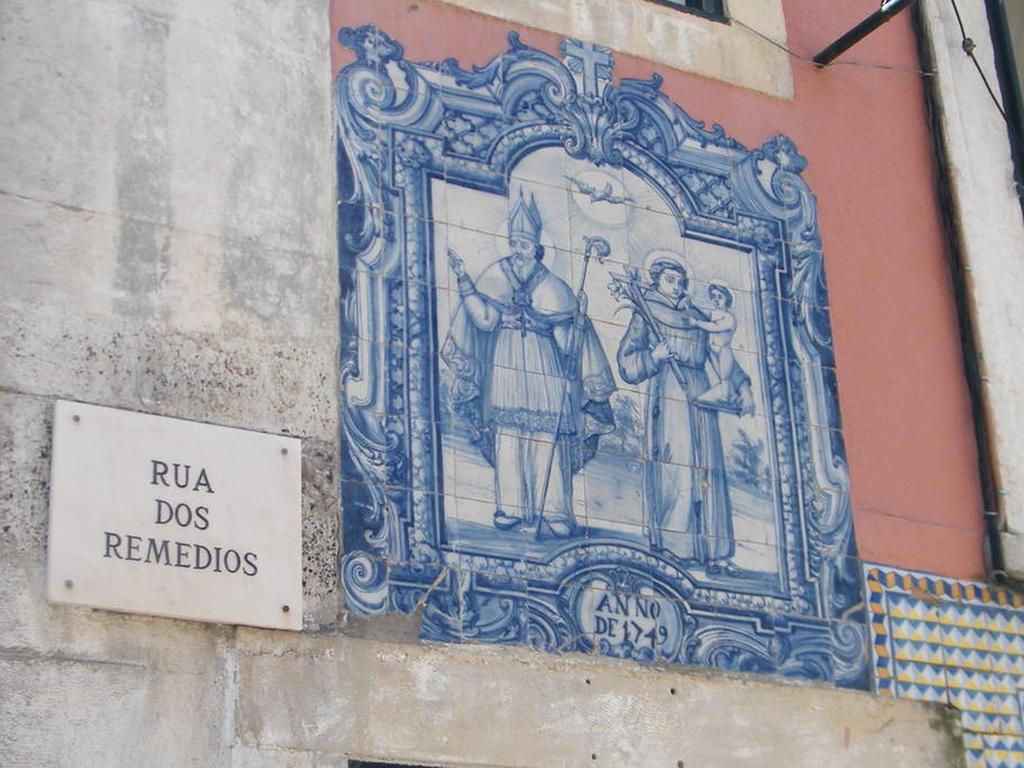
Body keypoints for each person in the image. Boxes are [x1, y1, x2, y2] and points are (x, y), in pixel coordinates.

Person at [441, 190, 615, 537]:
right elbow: (485, 320)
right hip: (506, 361)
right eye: (514, 243)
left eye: (524, 244)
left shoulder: (555, 287)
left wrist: (578, 322)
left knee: (548, 435)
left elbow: (567, 346)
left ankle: (555, 511)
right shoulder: (496, 274)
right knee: (509, 434)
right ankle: (511, 508)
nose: (518, 250)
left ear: (537, 247)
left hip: (544, 364)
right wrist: (464, 282)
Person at [615, 252, 742, 575]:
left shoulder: (695, 316)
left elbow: (718, 354)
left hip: (699, 392)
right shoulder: (647, 312)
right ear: (656, 281)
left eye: (680, 281)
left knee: (707, 469)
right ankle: (676, 546)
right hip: (669, 390)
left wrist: (739, 384)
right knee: (678, 465)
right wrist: (654, 356)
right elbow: (627, 361)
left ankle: (714, 551)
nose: (676, 286)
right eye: (670, 280)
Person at [692, 280, 755, 416]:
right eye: (713, 296)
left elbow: (716, 327)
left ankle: (726, 396)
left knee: (725, 375)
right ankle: (730, 395)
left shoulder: (728, 317)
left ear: (727, 299)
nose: (716, 300)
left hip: (723, 351)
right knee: (719, 373)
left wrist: (697, 323)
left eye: (719, 297)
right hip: (712, 352)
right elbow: (702, 311)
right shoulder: (713, 313)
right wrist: (691, 304)